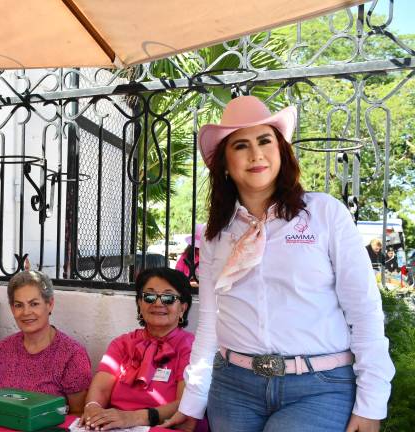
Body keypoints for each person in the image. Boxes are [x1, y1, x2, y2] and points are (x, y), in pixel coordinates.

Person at [162, 96, 395, 432]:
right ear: (225, 164)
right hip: (233, 389)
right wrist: (194, 399)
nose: (256, 154)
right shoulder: (216, 235)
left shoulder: (324, 214)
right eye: (241, 145)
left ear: (281, 150)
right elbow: (211, 320)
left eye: (264, 140)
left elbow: (364, 311)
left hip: (319, 389)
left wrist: (372, 403)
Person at [80, 268, 204, 431]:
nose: (158, 303)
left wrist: (132, 418)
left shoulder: (192, 349)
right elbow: (101, 389)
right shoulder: (122, 343)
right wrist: (93, 408)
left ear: (182, 308)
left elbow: (186, 405)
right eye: (149, 296)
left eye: (168, 297)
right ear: (140, 303)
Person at [0, 271, 91, 414]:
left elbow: (77, 414)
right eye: (19, 305)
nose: (26, 312)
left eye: (34, 304)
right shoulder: (4, 348)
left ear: (50, 304)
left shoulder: (72, 355)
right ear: (12, 308)